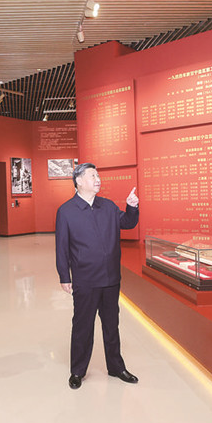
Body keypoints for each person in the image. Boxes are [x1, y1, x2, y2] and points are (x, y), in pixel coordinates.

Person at [55, 163, 140, 390]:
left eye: (98, 175)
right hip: (85, 280)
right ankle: (77, 371)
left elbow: (127, 223)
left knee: (112, 325)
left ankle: (116, 367)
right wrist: (64, 276)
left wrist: (131, 207)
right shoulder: (66, 211)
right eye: (92, 175)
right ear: (79, 181)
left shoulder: (108, 206)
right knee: (83, 326)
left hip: (111, 278)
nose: (98, 179)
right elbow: (61, 247)